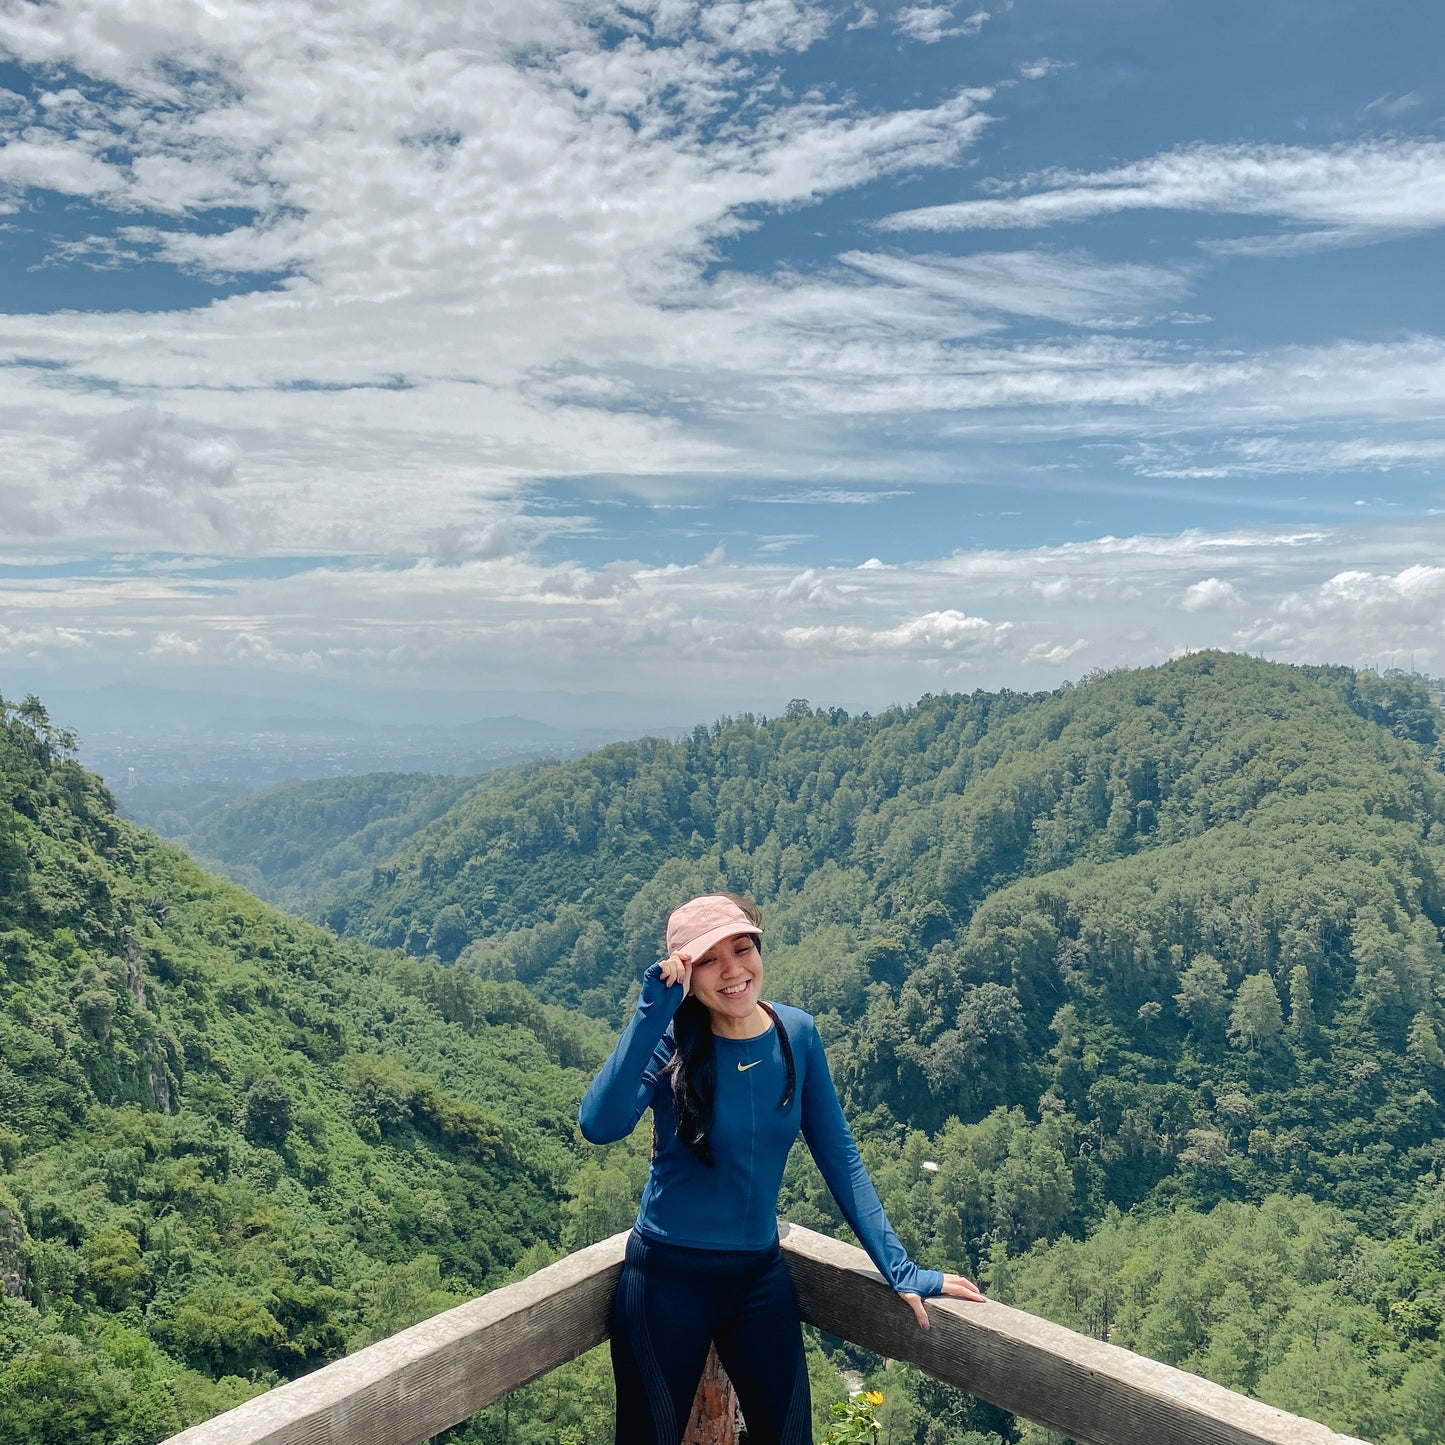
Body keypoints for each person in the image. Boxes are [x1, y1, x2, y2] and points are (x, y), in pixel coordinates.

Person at [579, 892, 985, 1445]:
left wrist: (900, 1267)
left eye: (742, 949)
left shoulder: (797, 1035)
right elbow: (600, 1124)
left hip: (757, 1279)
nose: (732, 971)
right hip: (666, 1281)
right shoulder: (670, 1045)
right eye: (709, 961)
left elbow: (840, 1156)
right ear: (686, 977)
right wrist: (652, 1011)